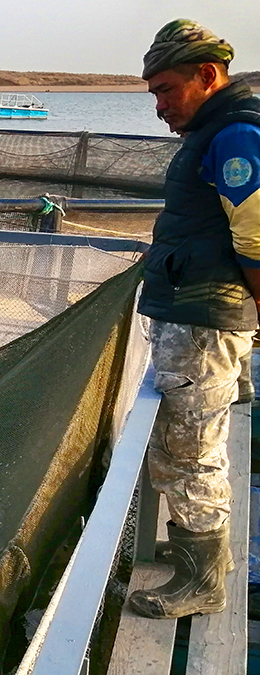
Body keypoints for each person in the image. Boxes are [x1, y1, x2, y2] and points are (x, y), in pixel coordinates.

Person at [130, 19, 260, 620]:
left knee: (189, 451)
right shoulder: (217, 130)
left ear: (207, 75)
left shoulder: (236, 135)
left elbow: (255, 237)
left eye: (166, 89)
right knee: (187, 444)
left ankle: (202, 579)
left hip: (205, 321)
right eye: (153, 93)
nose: (159, 105)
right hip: (198, 314)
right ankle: (201, 552)